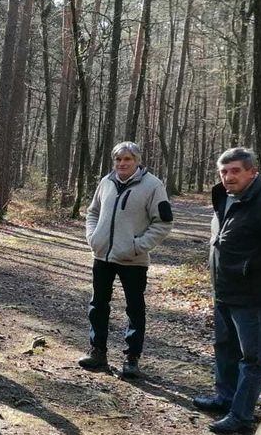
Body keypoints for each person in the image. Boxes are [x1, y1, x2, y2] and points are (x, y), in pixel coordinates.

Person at [192, 148, 261, 434]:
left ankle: (241, 415)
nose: (228, 177)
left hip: (253, 298)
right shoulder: (226, 198)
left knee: (252, 360)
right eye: (224, 171)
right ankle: (224, 397)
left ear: (252, 172)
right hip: (224, 291)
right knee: (224, 349)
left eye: (235, 171)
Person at [78, 141, 172, 378]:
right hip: (102, 256)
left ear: (137, 161)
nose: (122, 164)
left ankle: (132, 359)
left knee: (135, 309)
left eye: (127, 159)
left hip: (133, 260)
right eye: (118, 160)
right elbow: (93, 212)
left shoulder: (153, 185)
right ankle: (97, 352)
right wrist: (93, 237)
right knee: (98, 305)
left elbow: (163, 222)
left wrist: (137, 246)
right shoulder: (106, 182)